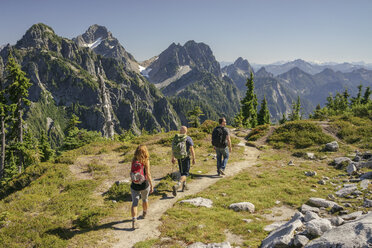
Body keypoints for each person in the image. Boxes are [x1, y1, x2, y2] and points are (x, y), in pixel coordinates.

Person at [130, 145, 153, 229]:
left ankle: (134, 220)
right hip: (144, 185)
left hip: (134, 185)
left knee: (134, 203)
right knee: (145, 199)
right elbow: (148, 174)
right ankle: (144, 212)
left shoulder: (133, 160)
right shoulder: (146, 161)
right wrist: (151, 185)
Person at [171, 126, 195, 196]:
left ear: (180, 131)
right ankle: (178, 185)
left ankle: (184, 186)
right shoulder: (188, 138)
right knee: (185, 173)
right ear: (186, 131)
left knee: (182, 172)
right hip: (186, 158)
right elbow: (192, 149)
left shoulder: (176, 138)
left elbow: (173, 149)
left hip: (179, 158)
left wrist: (173, 158)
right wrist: (194, 158)